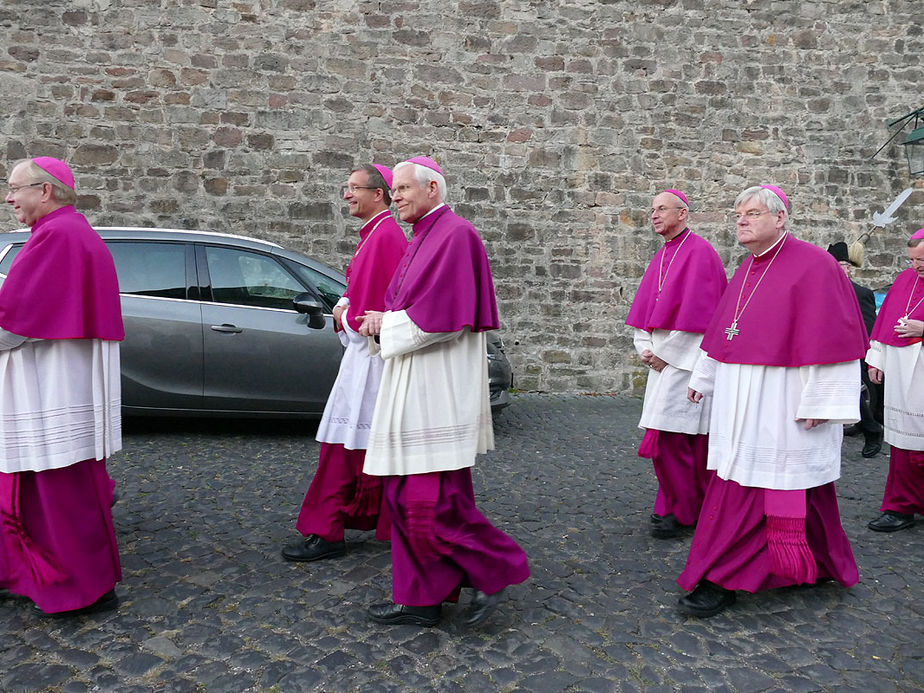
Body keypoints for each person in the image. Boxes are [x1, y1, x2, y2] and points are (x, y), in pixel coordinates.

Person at [678, 185, 868, 617]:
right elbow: (725, 332)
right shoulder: (747, 268)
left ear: (780, 218)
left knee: (767, 484)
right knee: (775, 483)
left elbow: (833, 338)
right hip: (740, 397)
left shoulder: (815, 265)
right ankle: (813, 563)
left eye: (752, 213)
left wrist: (823, 400)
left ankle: (721, 575)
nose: (741, 220)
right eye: (737, 213)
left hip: (785, 401)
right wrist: (704, 377)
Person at [358, 156, 529, 627]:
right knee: (401, 497)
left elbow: (440, 317)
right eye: (393, 190)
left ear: (433, 188)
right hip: (413, 380)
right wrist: (379, 322)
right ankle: (422, 596)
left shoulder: (456, 235)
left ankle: (494, 568)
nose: (396, 197)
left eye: (404, 189)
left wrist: (383, 324)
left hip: (437, 388)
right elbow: (409, 309)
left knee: (426, 504)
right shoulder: (423, 238)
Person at [0, 157, 123, 615]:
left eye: (15, 188)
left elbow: (15, 323)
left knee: (57, 490)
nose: (9, 198)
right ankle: (37, 574)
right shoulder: (70, 232)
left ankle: (79, 588)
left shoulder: (56, 236)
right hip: (56, 379)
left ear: (45, 191)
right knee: (56, 486)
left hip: (48, 382)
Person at [282, 164, 407, 562]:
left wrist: (344, 315)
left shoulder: (384, 236)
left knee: (344, 448)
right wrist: (346, 306)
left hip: (369, 361)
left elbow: (369, 316)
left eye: (354, 188)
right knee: (356, 447)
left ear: (379, 194)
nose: (347, 195)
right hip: (366, 359)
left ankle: (328, 528)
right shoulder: (375, 234)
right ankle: (357, 521)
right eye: (346, 187)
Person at [626, 190, 727, 538]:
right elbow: (644, 315)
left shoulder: (700, 253)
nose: (653, 215)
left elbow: (702, 318)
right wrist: (646, 348)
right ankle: (672, 503)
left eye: (661, 209)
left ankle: (684, 512)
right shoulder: (663, 255)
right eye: (652, 208)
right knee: (669, 442)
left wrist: (664, 354)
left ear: (682, 213)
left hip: (686, 365)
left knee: (676, 442)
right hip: (662, 361)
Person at [865, 228, 924, 532]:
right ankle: (900, 507)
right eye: (913, 259)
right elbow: (886, 319)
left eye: (922, 259)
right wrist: (877, 359)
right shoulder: (904, 280)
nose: (917, 266)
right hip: (903, 373)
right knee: (903, 442)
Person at [827, 241, 883, 458]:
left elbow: (869, 327)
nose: (840, 269)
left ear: (849, 268)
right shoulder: (823, 290)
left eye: (843, 264)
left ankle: (872, 431)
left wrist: (865, 355)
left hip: (854, 352)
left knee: (853, 392)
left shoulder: (861, 293)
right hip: (830, 350)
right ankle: (865, 427)